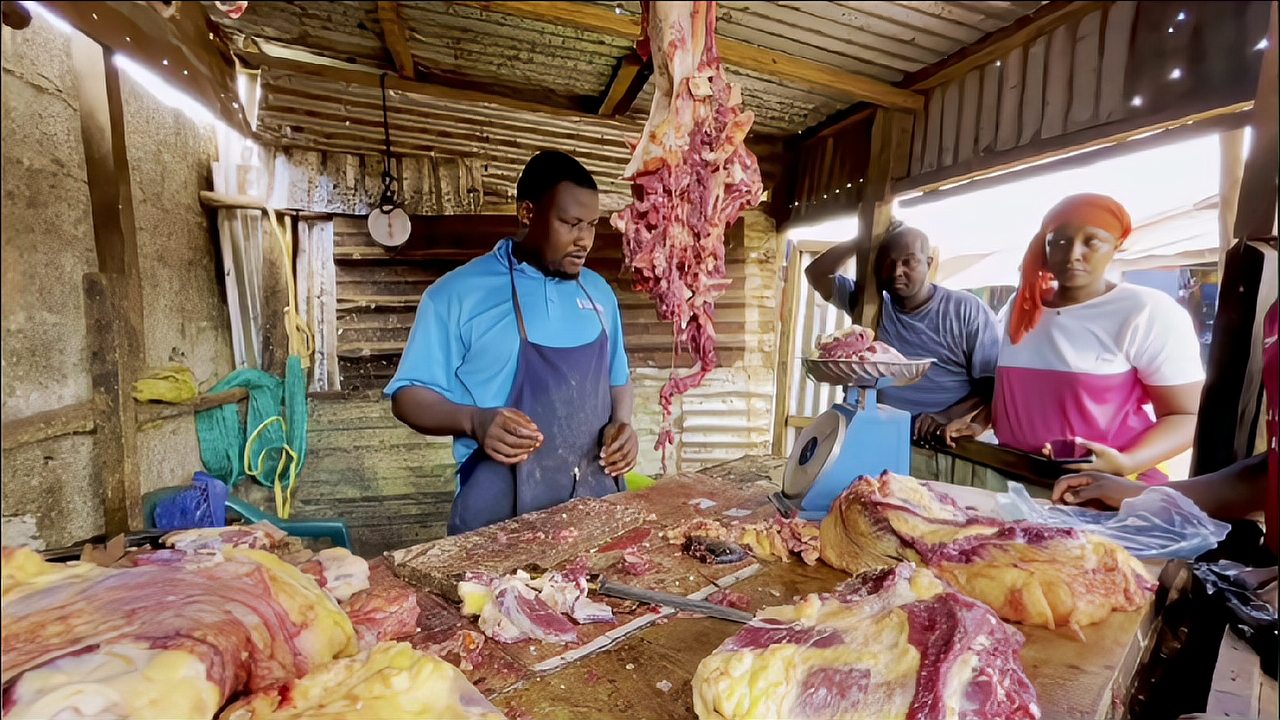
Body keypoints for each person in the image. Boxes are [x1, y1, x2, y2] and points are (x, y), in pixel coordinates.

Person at [386, 150, 639, 535]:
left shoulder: (599, 293)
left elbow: (617, 379)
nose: (584, 239)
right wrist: (473, 420)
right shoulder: (457, 294)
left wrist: (622, 427)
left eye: (591, 224)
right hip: (498, 524)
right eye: (570, 223)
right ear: (527, 213)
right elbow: (407, 397)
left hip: (592, 515)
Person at [947, 193, 1205, 484]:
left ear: (1117, 245)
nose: (1072, 254)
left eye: (1092, 241)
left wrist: (1124, 463)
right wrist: (979, 423)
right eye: (1059, 242)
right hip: (1019, 478)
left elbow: (1187, 417)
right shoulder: (1022, 307)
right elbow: (1015, 391)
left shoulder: (1146, 312)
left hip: (1108, 489)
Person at [1052, 300, 1277, 562]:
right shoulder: (1274, 317)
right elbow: (1268, 471)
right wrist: (1138, 496)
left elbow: (1184, 414)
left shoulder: (1149, 314)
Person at [805, 220, 1001, 441]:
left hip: (942, 443)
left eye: (909, 262)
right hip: (878, 438)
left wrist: (945, 416)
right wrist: (862, 240)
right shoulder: (871, 305)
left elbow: (992, 385)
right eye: (889, 262)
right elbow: (816, 273)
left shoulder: (966, 310)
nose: (897, 271)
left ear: (928, 262)